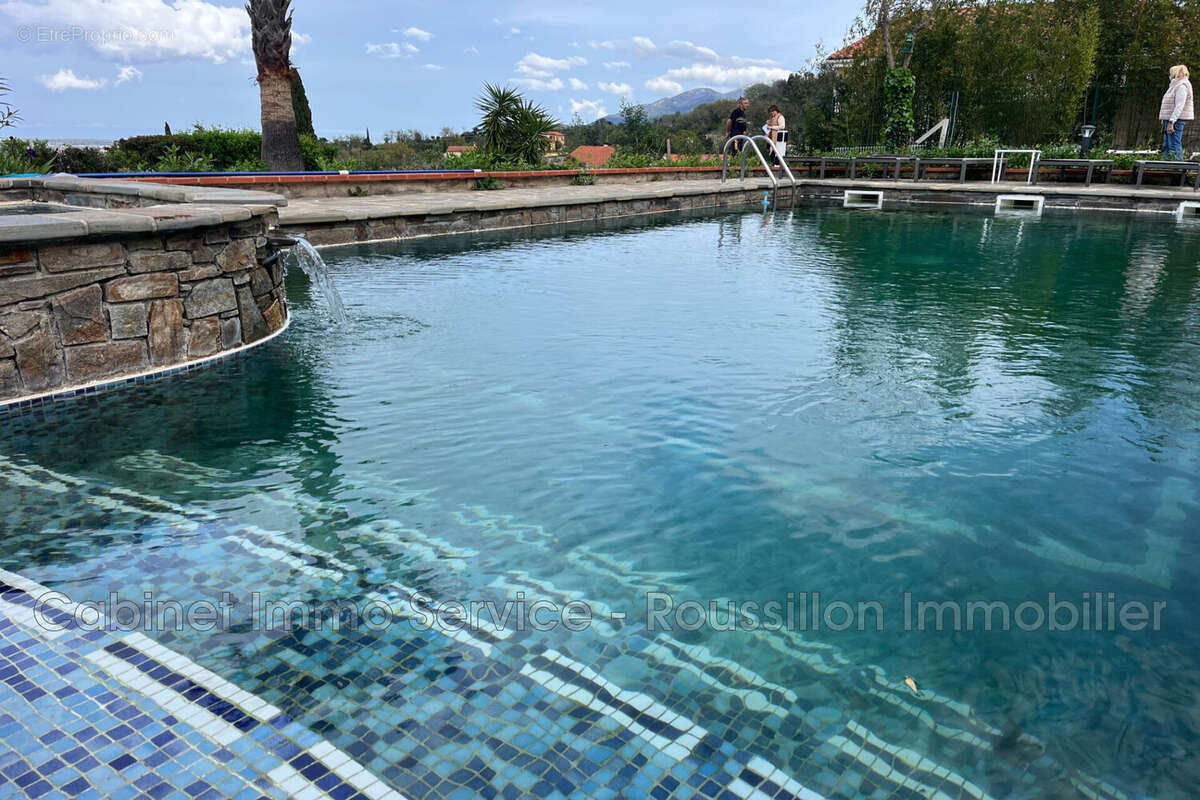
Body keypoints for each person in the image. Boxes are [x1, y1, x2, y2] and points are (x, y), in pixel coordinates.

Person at [1159, 65, 1194, 160]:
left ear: (1175, 73)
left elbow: (1179, 105)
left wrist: (1171, 122)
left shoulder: (1181, 86)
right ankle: (1168, 168)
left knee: (1174, 144)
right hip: (1171, 119)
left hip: (1175, 120)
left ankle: (1178, 169)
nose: (1169, 75)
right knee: (1167, 145)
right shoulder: (1175, 85)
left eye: (1170, 73)